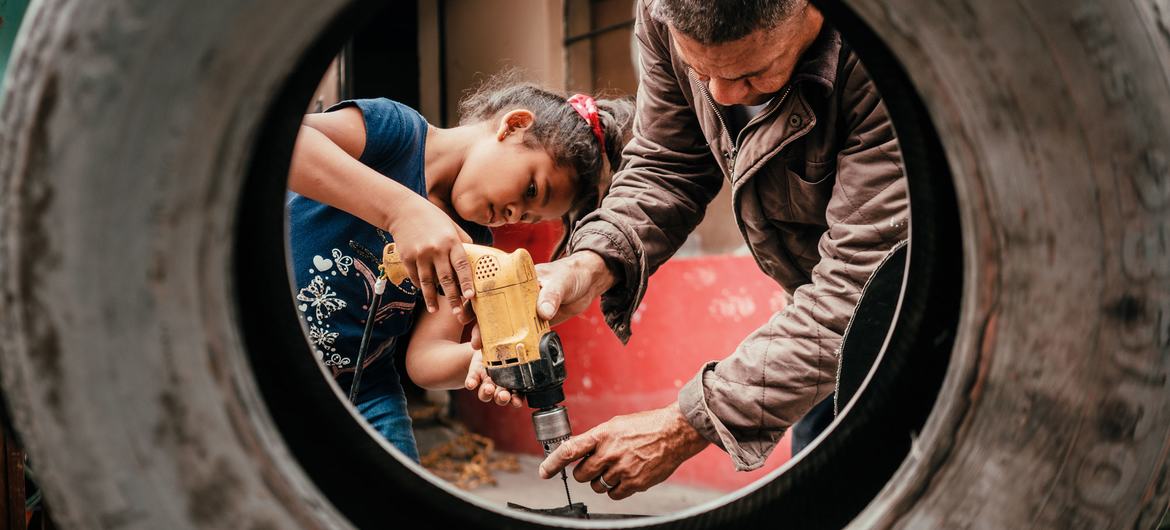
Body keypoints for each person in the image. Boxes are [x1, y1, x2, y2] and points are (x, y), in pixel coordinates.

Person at [535, 0, 908, 499]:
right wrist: (587, 265)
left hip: (917, 303)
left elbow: (858, 293)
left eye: (752, 74)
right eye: (698, 70)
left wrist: (682, 425)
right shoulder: (660, 14)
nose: (721, 95)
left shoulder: (887, 58)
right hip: (818, 322)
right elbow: (667, 161)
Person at [286, 77, 632, 462]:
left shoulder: (474, 245)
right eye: (531, 189)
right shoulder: (396, 131)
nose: (515, 214)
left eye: (529, 216)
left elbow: (424, 359)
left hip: (361, 386)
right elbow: (288, 144)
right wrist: (401, 210)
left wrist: (478, 361)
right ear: (513, 125)